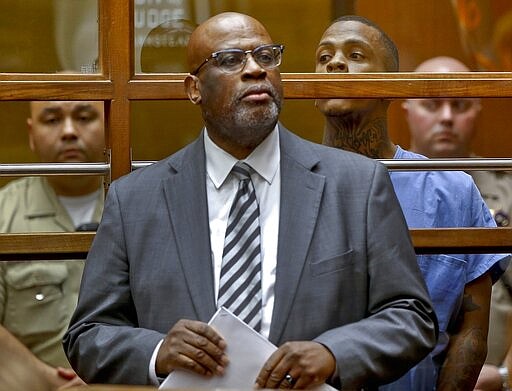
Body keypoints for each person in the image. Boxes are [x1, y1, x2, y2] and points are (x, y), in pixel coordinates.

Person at [64, 12, 437, 389]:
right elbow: (88, 334)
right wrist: (157, 351)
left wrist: (334, 353)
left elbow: (411, 317)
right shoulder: (135, 200)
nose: (255, 70)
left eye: (266, 56)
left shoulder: (357, 184)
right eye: (230, 61)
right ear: (194, 88)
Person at [315, 15, 509, 391]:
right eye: (324, 57)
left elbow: (471, 329)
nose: (335, 64)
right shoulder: (285, 181)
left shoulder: (453, 191)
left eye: (355, 54)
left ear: (393, 86)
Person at [403, 56, 512, 391]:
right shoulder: (377, 183)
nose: (447, 117)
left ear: (479, 109)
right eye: (431, 105)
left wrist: (506, 376)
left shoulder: (509, 191)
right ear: (405, 107)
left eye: (460, 105)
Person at [0, 100, 105, 389]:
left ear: (110, 124)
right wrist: (47, 380)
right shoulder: (3, 214)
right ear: (32, 133)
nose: (70, 131)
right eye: (52, 120)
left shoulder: (145, 206)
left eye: (84, 117)